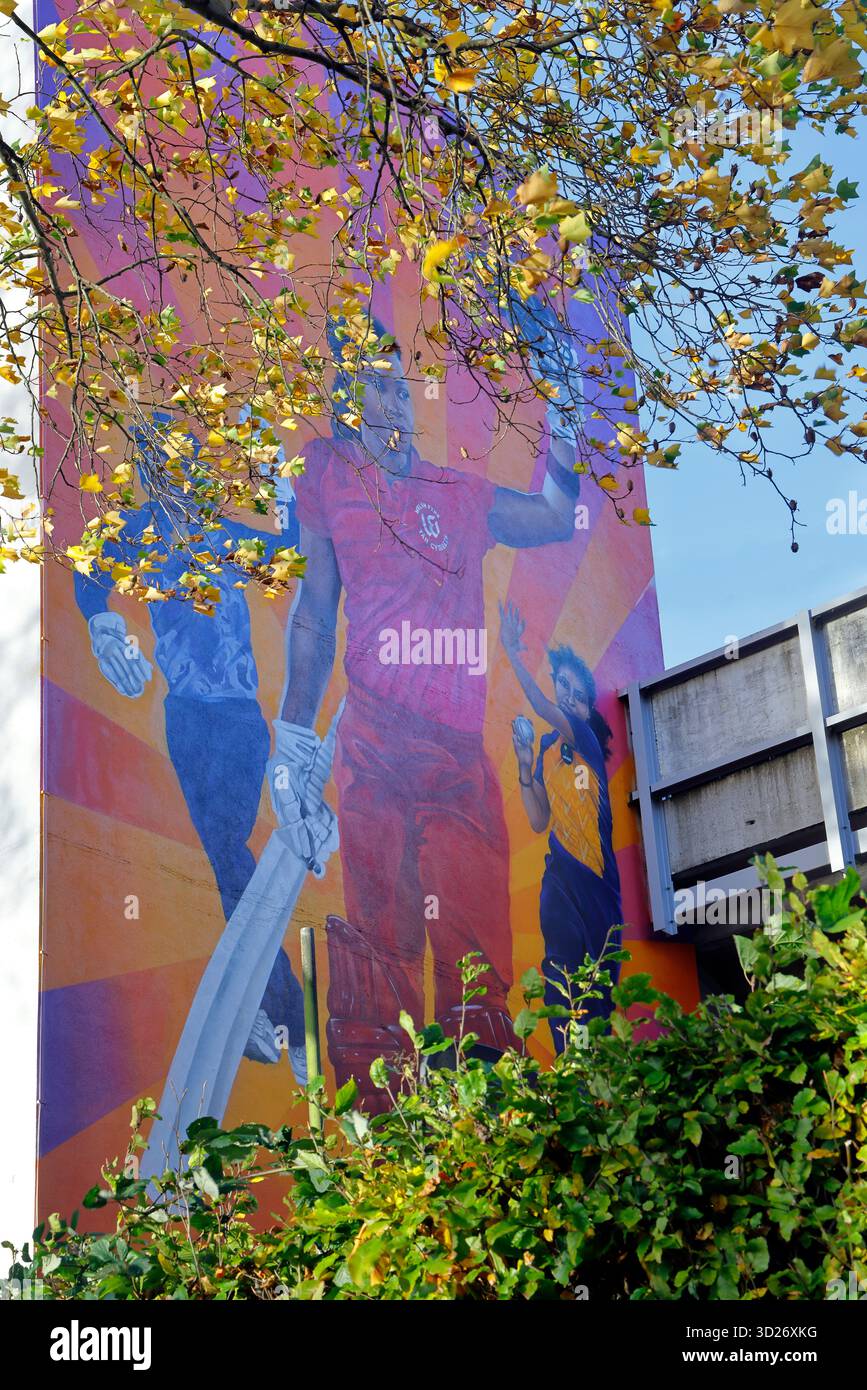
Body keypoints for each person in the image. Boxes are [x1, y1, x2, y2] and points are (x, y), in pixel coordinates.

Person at [266, 318, 583, 1105]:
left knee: (474, 949)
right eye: (370, 380)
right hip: (373, 747)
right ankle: (386, 1133)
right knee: (383, 950)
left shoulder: (457, 493)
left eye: (396, 377)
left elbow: (550, 515)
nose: (391, 395)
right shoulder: (324, 477)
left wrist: (565, 403)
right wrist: (292, 741)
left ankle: (486, 1129)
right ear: (343, 395)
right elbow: (312, 612)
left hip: (454, 756)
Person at [74, 413, 308, 1078]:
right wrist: (102, 625)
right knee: (228, 856)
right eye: (171, 464)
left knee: (230, 857)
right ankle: (281, 1009)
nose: (188, 476)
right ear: (151, 472)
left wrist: (279, 482)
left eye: (190, 463)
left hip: (240, 719)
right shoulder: (143, 536)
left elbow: (287, 554)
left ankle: (280, 1009)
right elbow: (88, 567)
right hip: (190, 719)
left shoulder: (222, 536)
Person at [500, 599, 622, 1051]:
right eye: (562, 686)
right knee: (559, 970)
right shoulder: (551, 745)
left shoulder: (583, 737)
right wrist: (525, 764)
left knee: (598, 994)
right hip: (561, 875)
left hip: (598, 886)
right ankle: (569, 1066)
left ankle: (597, 1080)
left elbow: (538, 703)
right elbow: (537, 820)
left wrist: (512, 652)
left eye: (577, 693)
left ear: (587, 708)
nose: (568, 696)